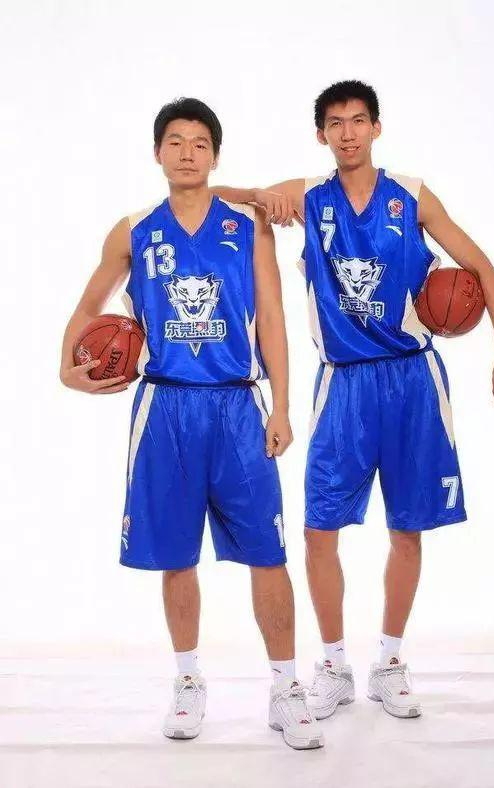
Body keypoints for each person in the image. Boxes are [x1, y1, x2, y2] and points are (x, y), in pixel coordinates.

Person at [212, 79, 494, 720]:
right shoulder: (310, 197)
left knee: (407, 529)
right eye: (335, 123)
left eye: (358, 120)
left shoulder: (411, 195)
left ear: (376, 127)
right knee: (318, 531)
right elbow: (216, 197)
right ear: (321, 134)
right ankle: (333, 666)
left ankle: (389, 662)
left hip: (412, 379)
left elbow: (484, 269)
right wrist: (263, 197)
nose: (348, 132)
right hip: (343, 384)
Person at [59, 97, 323, 750]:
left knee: (268, 553)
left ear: (215, 156)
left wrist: (282, 405)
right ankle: (186, 680)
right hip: (165, 407)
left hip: (237, 405)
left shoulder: (247, 226)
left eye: (200, 143)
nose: (187, 153)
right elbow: (87, 308)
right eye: (175, 141)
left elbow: (273, 319)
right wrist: (68, 370)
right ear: (157, 152)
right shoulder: (133, 231)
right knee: (176, 556)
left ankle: (286, 688)